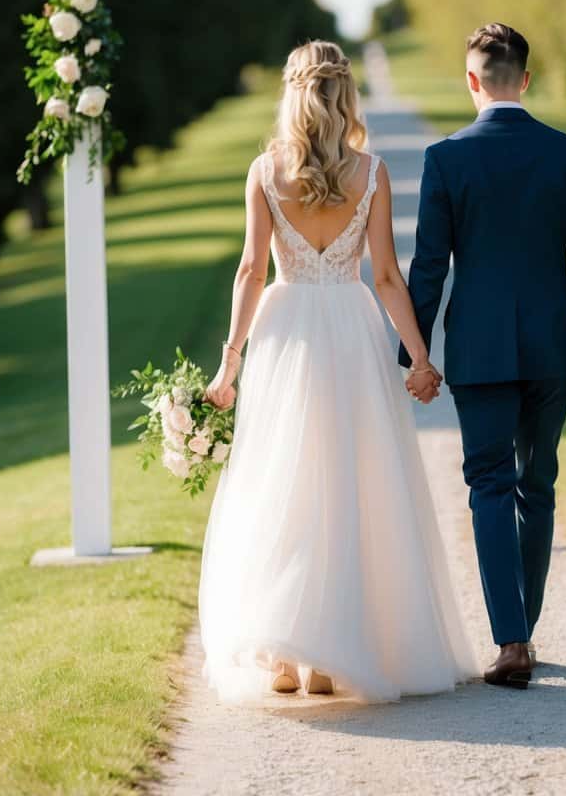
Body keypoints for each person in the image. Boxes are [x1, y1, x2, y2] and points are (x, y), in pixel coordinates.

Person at [198, 40, 478, 702]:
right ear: (345, 94)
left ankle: (287, 652)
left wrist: (228, 362)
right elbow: (384, 275)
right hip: (349, 331)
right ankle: (327, 657)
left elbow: (251, 271)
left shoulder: (265, 172)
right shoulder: (371, 173)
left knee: (283, 477)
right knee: (352, 480)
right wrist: (418, 356)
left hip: (286, 331)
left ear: (292, 93)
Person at [399, 23, 566, 691]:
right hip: (554, 349)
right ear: (524, 79)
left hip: (480, 351)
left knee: (488, 486)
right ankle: (525, 630)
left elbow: (428, 267)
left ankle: (512, 639)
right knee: (536, 485)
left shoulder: (447, 159)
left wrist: (411, 356)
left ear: (472, 81)